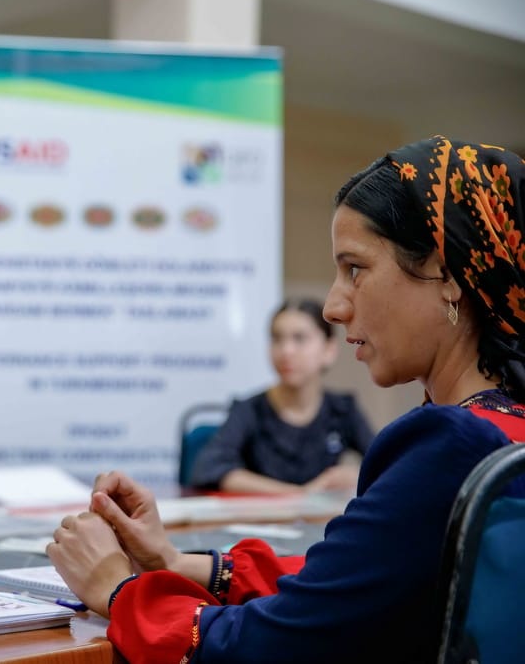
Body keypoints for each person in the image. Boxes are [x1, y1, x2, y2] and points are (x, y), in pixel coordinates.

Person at [46, 136, 525, 663]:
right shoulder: (504, 432)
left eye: (355, 269)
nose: (334, 307)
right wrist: (176, 562)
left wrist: (117, 589)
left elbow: (272, 643)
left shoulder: (450, 443)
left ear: (446, 275)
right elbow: (349, 578)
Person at [190, 297, 375, 494]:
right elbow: (208, 468)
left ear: (329, 350)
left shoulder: (342, 410)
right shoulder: (249, 410)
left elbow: (388, 463)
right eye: (277, 339)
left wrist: (356, 474)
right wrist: (299, 494)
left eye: (300, 338)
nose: (286, 351)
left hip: (321, 523)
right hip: (260, 520)